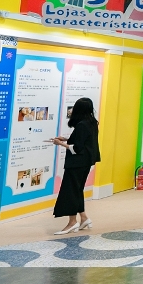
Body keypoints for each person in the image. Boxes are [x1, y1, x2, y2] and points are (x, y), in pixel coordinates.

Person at [50, 97, 101, 235]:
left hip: (77, 163)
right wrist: (66, 139)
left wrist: (60, 143)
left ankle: (72, 222)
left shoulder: (82, 125)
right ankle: (84, 218)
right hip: (86, 162)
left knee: (70, 191)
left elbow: (77, 148)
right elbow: (84, 141)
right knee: (77, 190)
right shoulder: (92, 122)